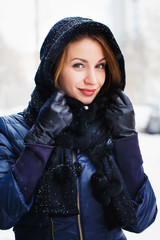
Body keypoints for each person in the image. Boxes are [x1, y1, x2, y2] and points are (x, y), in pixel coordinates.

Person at [0, 17, 157, 240]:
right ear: (52, 67)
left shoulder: (111, 129)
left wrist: (126, 139)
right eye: (78, 65)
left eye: (100, 66)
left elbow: (141, 220)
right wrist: (41, 139)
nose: (92, 79)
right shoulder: (11, 130)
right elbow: (4, 215)